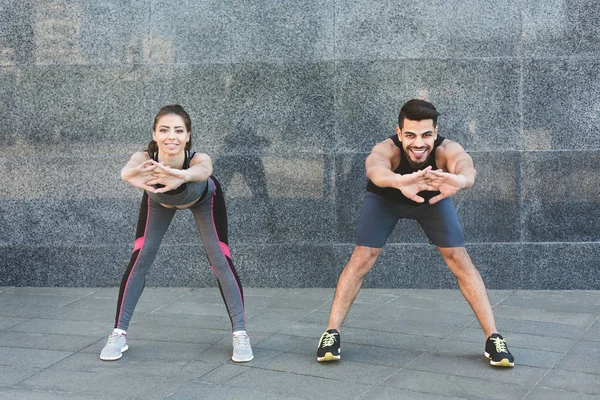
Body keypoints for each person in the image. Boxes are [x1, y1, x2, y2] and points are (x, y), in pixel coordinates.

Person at [316, 99, 514, 367]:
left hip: (433, 201)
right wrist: (399, 182)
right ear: (399, 134)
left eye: (426, 135)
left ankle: (494, 338)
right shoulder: (387, 149)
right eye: (410, 135)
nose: (418, 143)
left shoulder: (446, 149)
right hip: (385, 199)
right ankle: (331, 334)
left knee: (459, 259)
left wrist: (461, 181)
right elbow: (374, 169)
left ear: (435, 132)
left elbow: (465, 164)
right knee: (362, 257)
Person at [100, 104, 253, 363]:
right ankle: (118, 333)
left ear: (188, 135)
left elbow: (204, 171)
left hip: (205, 201)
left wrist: (181, 176)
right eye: (164, 130)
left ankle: (241, 334)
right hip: (160, 202)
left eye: (179, 130)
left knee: (220, 261)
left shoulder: (196, 158)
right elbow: (127, 170)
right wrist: (130, 175)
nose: (172, 136)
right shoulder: (144, 158)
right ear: (155, 133)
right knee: (140, 259)